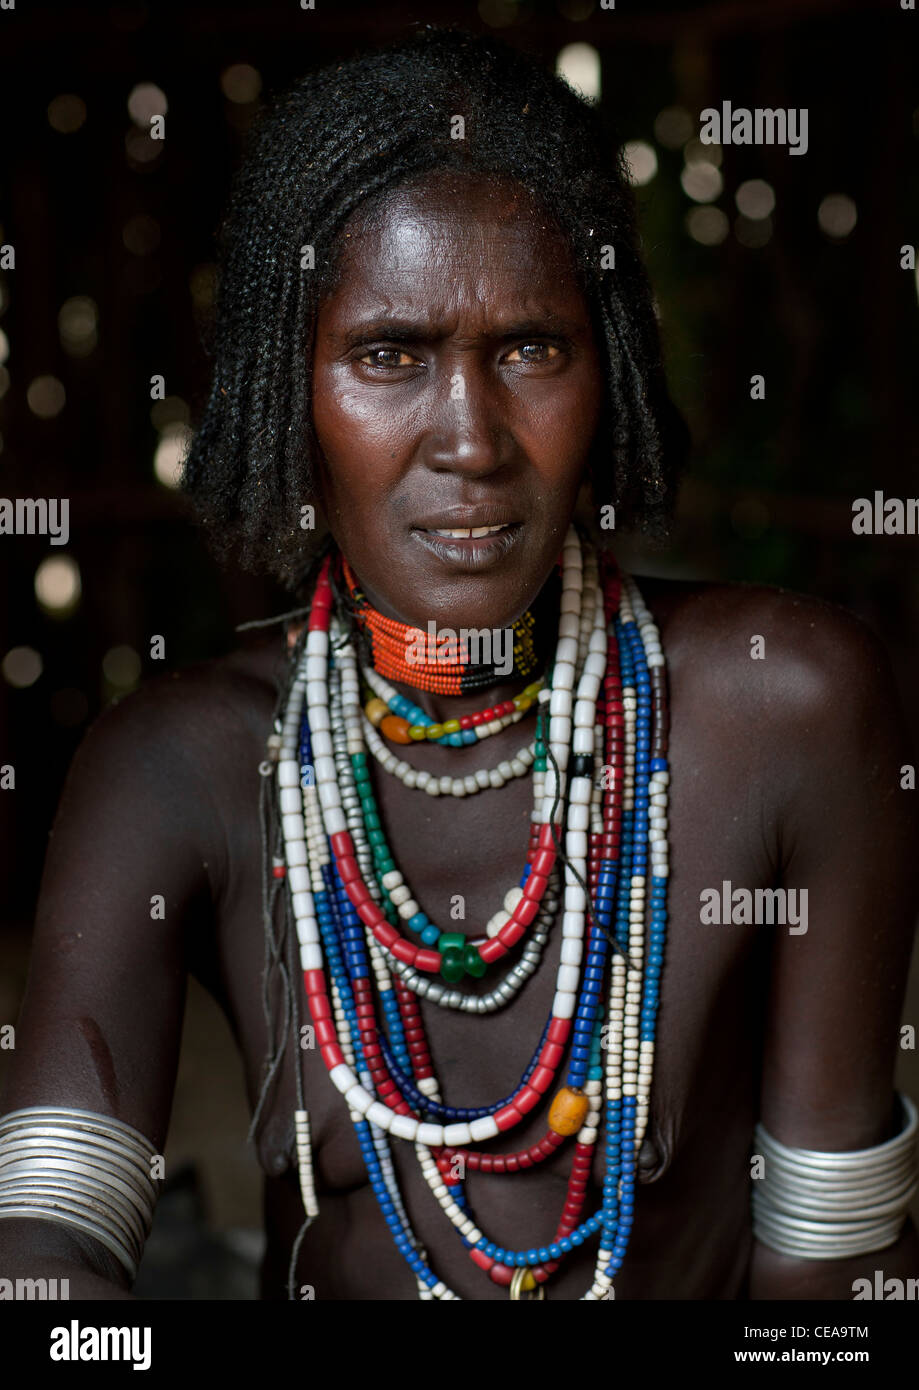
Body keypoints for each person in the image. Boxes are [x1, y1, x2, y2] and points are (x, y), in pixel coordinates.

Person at [1, 27, 917, 1303]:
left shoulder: (785, 711)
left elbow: (832, 1265)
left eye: (531, 348)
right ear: (290, 393)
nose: (471, 439)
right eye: (389, 355)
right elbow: (45, 1247)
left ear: (611, 377)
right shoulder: (175, 768)